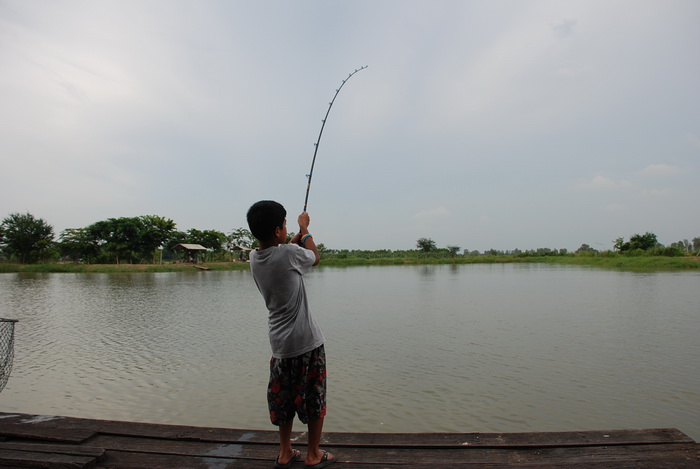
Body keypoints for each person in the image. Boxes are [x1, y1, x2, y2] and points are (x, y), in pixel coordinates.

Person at [246, 200, 335, 469]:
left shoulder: (254, 257)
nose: (288, 227)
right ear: (277, 230)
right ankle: (313, 455)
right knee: (314, 398)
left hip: (280, 346)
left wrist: (291, 238)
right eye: (285, 224)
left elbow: (281, 252)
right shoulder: (288, 254)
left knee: (282, 399)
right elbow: (314, 258)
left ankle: (285, 453)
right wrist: (305, 230)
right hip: (307, 342)